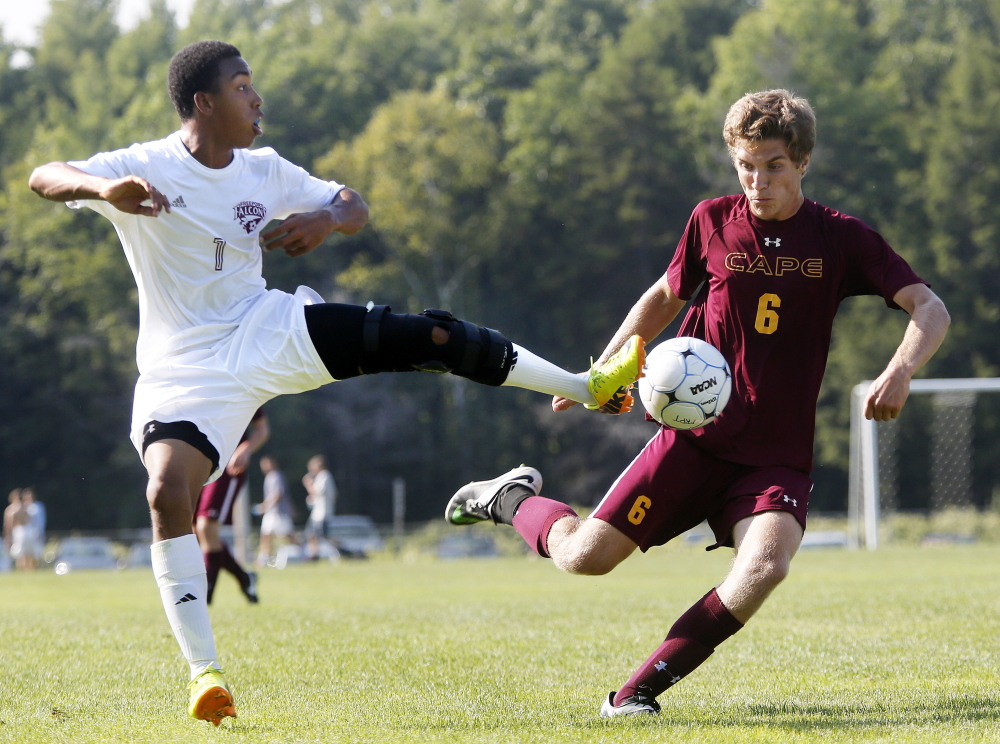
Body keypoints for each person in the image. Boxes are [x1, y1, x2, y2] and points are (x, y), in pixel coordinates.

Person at [27, 40, 643, 725]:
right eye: (241, 87)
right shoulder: (142, 166)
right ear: (203, 102)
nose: (256, 99)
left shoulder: (264, 168)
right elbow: (43, 174)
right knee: (166, 492)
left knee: (430, 337)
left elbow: (353, 202)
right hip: (184, 370)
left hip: (267, 330)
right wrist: (98, 189)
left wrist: (327, 217)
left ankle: (589, 387)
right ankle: (204, 674)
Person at [445, 89, 951, 717]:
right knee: (584, 558)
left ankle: (635, 695)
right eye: (746, 166)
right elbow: (664, 295)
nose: (758, 181)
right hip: (694, 442)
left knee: (765, 566)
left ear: (803, 163)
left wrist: (899, 371)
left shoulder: (840, 239)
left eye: (774, 166)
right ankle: (509, 497)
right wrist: (602, 373)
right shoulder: (712, 220)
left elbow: (930, 308)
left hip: (776, 457)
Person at [194, 407, 269, 604]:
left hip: (228, 466)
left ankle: (205, 598)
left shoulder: (239, 382)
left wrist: (245, 448)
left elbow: (262, 430)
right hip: (201, 463)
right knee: (197, 531)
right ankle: (244, 578)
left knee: (206, 526)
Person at [254, 455, 294, 567]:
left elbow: (278, 494)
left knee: (288, 535)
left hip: (279, 512)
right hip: (271, 512)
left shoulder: (276, 475)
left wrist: (265, 506)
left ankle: (305, 551)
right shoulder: (269, 477)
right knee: (266, 535)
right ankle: (263, 559)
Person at [302, 454, 336, 560]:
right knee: (311, 535)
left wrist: (308, 484)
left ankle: (344, 550)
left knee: (324, 537)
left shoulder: (324, 476)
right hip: (317, 513)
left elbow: (317, 492)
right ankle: (314, 555)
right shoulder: (321, 477)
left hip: (322, 513)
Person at [20, 488, 45, 570]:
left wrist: (40, 531)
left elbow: (41, 520)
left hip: (35, 532)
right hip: (25, 533)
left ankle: (35, 568)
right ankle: (26, 569)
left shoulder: (38, 506)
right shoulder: (22, 507)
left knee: (35, 553)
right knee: (25, 552)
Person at [3, 489, 28, 569]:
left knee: (24, 553)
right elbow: (8, 525)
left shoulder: (25, 509)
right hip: (16, 533)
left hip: (23, 533)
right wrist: (8, 536)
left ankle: (25, 569)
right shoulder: (10, 510)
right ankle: (20, 568)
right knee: (18, 553)